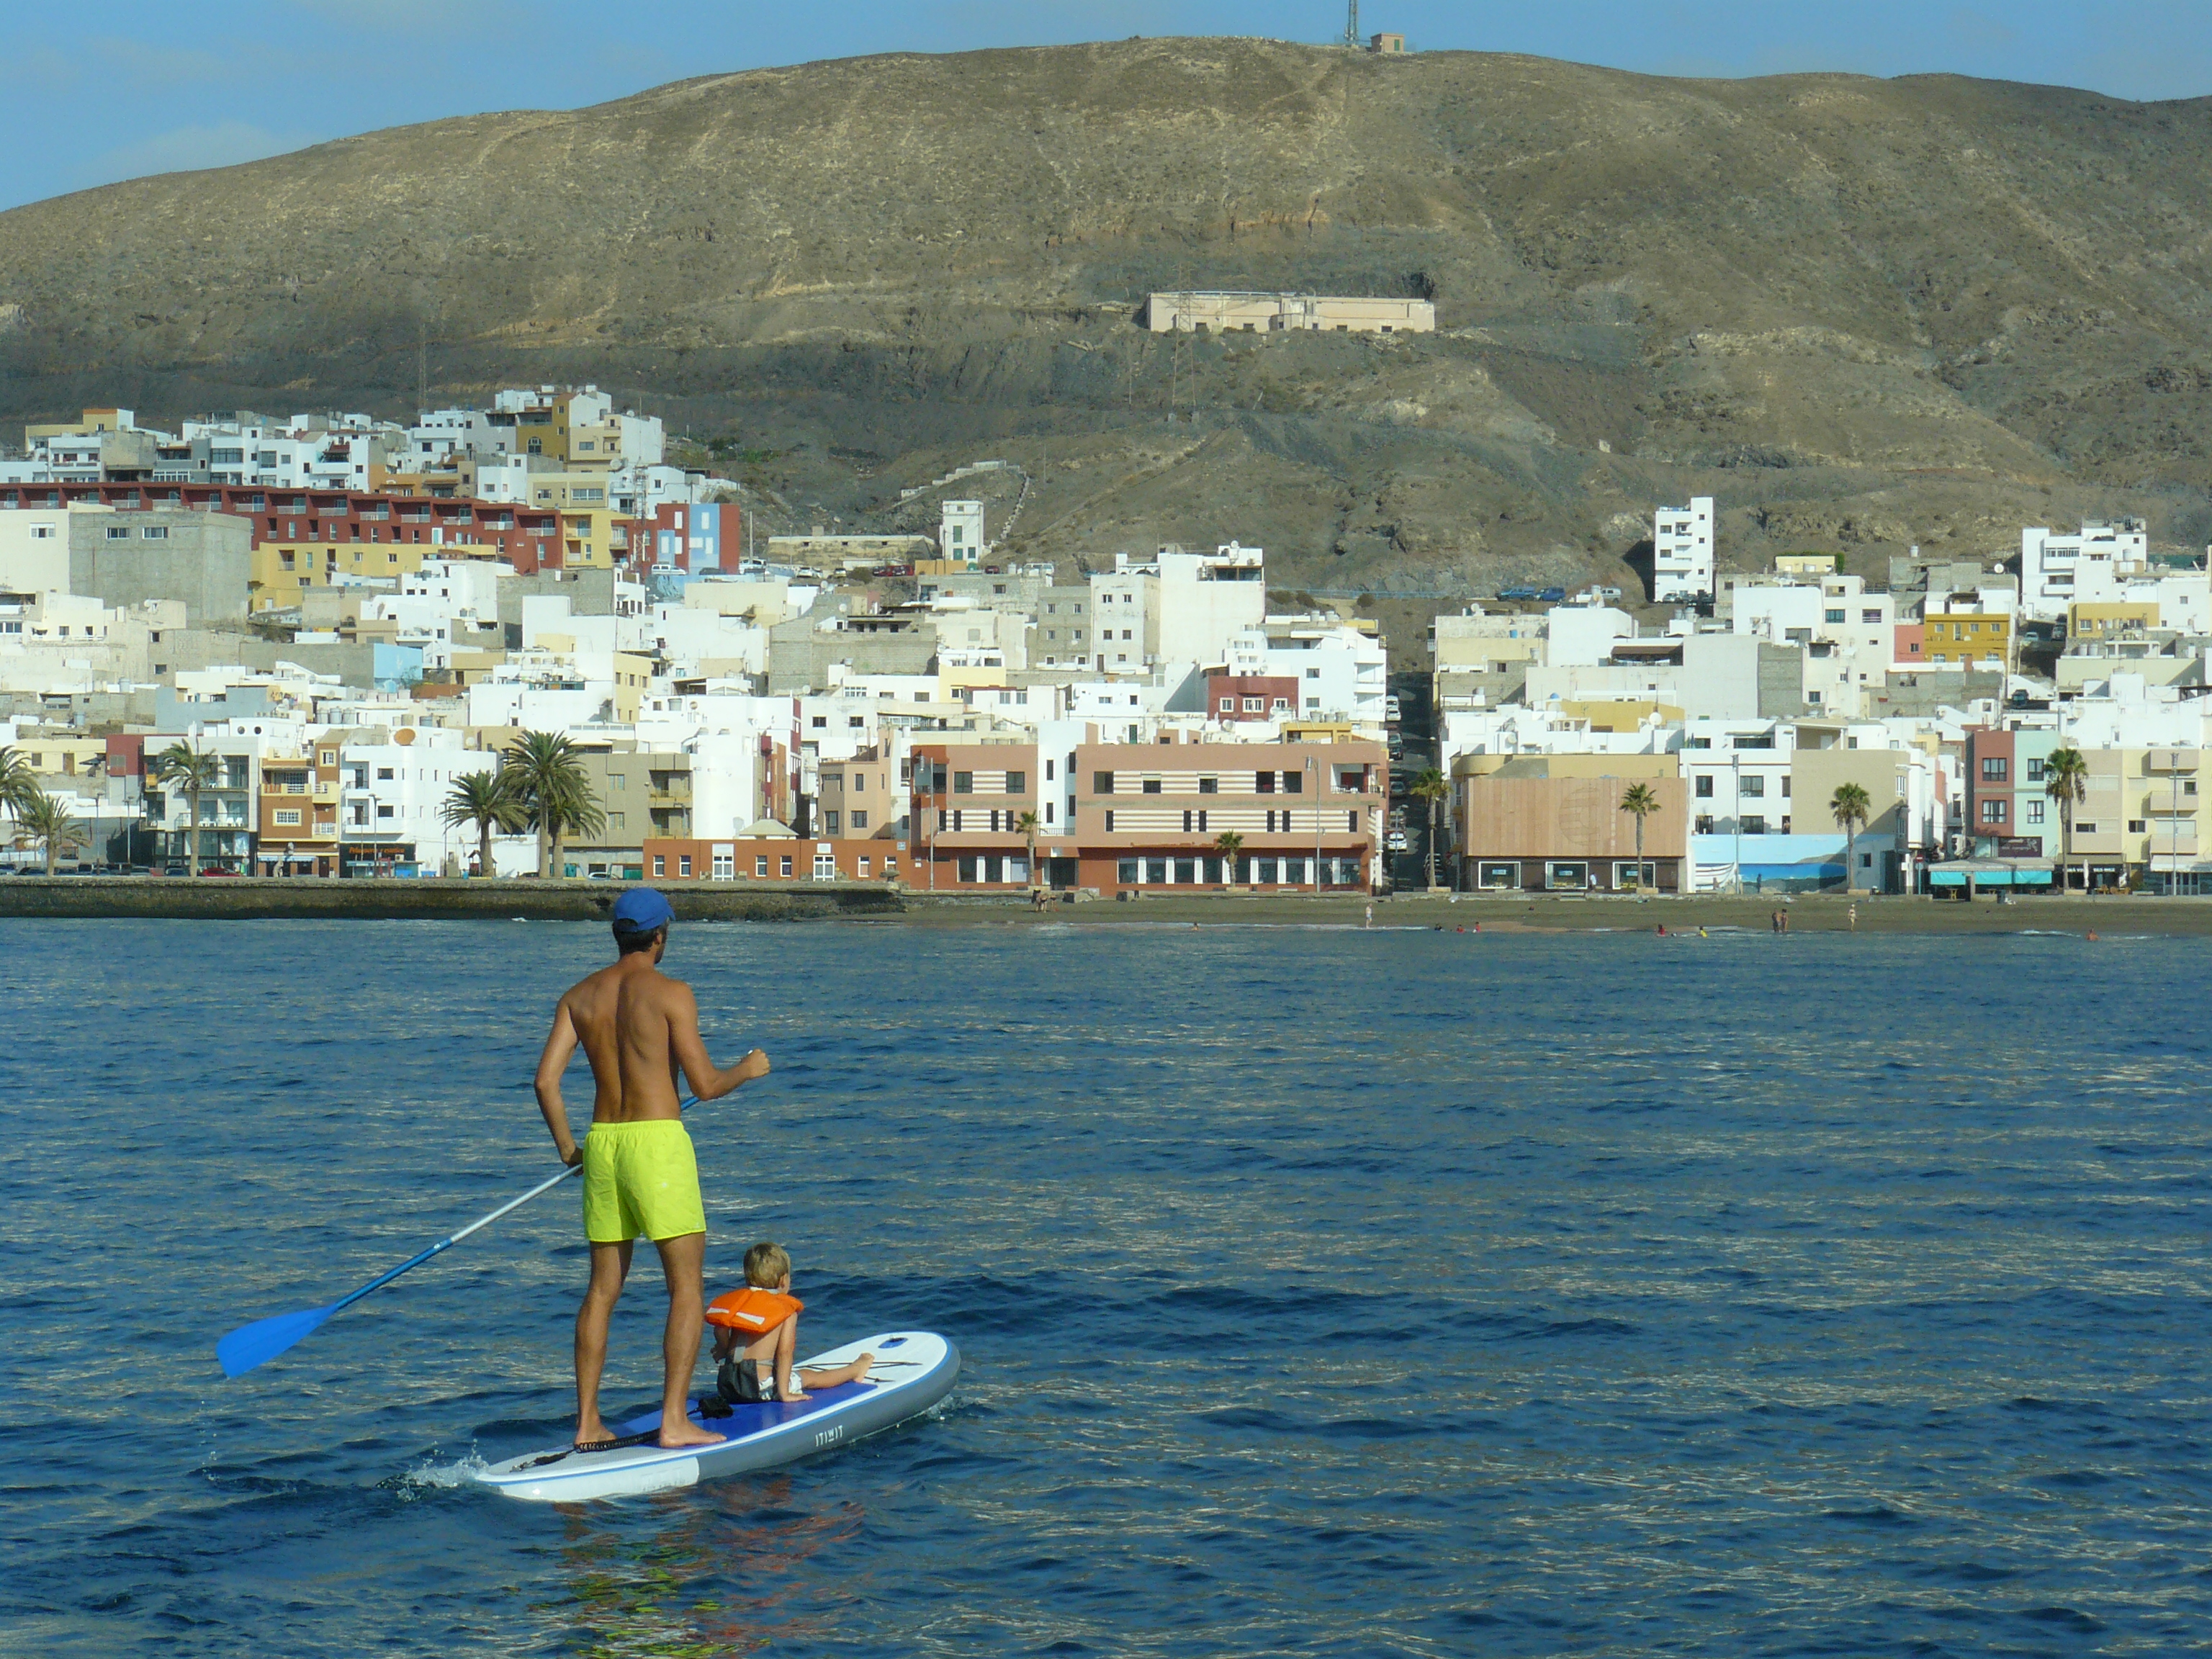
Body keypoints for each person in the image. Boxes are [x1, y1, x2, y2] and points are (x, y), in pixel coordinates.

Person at [533, 887, 772, 1451]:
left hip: (603, 1145)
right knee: (685, 1288)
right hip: (657, 1146)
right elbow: (706, 1087)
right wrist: (748, 1068)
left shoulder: (578, 997)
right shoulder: (671, 993)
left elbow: (545, 1081)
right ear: (660, 935)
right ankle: (673, 1421)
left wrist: (570, 1149)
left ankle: (588, 1422)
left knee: (601, 1291)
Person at [706, 1241, 874, 1405]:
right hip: (760, 1387)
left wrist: (723, 1348)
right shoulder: (785, 1311)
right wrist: (784, 1393)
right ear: (783, 1281)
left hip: (728, 1384)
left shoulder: (741, 1305)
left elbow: (720, 1329)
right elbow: (785, 1352)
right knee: (808, 1377)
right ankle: (856, 1370)